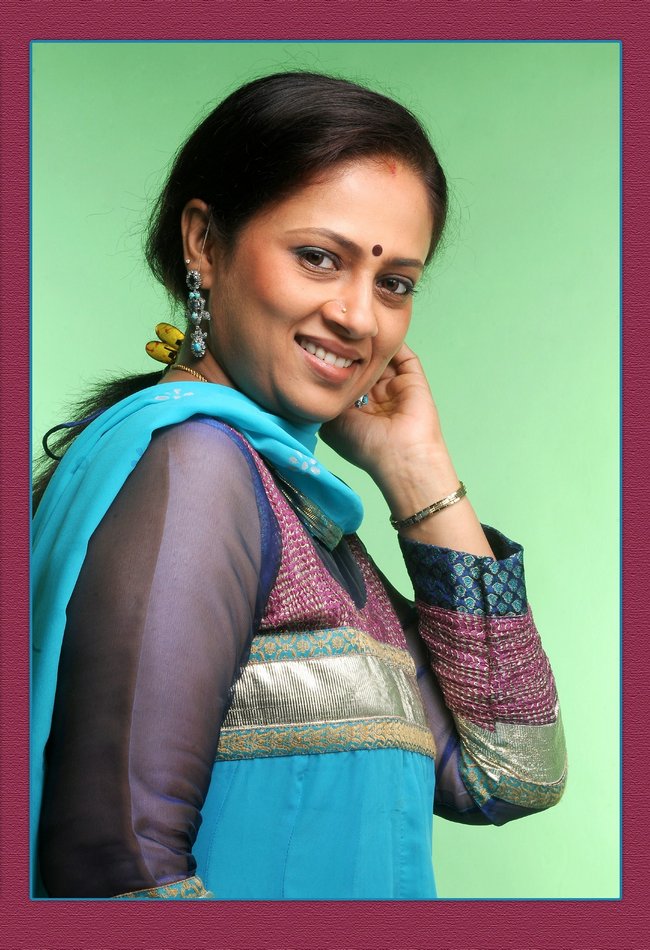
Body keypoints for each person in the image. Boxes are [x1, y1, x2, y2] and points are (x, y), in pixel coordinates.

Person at [31, 71, 567, 900]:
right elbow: (118, 869)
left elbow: (513, 774)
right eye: (319, 258)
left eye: (394, 283)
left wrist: (417, 470)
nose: (359, 316)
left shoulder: (301, 513)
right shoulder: (195, 470)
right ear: (204, 244)